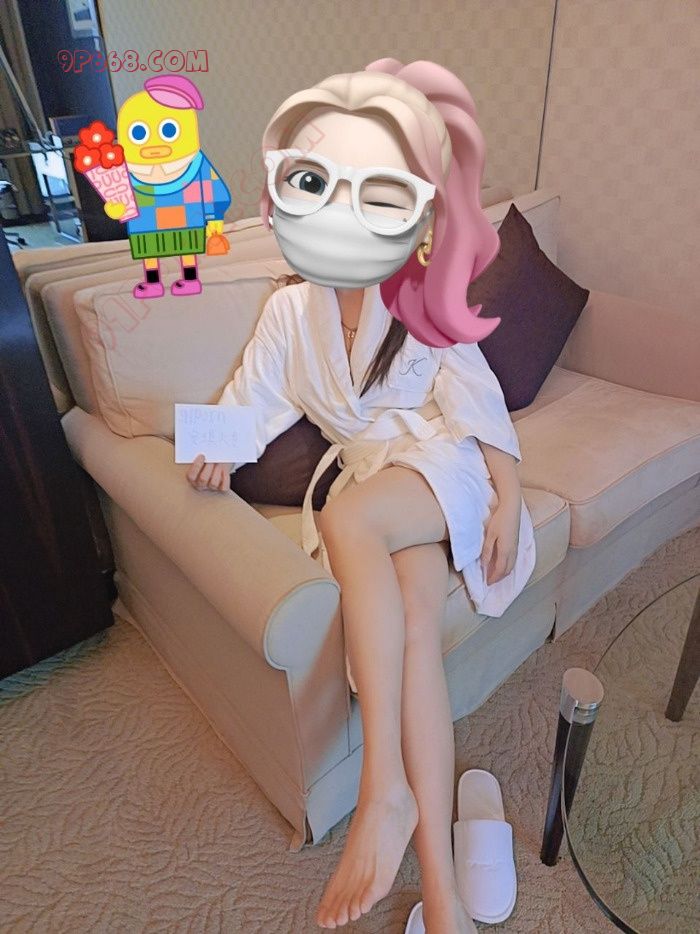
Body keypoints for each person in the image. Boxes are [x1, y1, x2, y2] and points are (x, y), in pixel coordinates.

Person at [187, 59, 536, 934]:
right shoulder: (288, 313)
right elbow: (250, 402)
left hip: (440, 466)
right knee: (413, 631)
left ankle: (383, 787)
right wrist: (210, 448)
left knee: (348, 515)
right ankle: (443, 896)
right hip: (372, 478)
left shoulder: (418, 297)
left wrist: (507, 494)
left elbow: (477, 396)